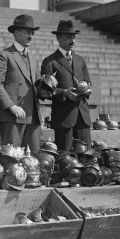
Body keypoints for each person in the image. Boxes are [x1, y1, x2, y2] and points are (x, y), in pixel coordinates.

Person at [0, 14, 42, 153]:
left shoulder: (33, 58)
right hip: (12, 116)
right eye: (27, 32)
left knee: (34, 161)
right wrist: (11, 106)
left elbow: (37, 86)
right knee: (12, 160)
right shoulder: (4, 55)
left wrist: (48, 88)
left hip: (33, 117)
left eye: (32, 33)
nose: (31, 36)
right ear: (16, 32)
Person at [41, 20, 92, 151]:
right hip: (64, 118)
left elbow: (89, 84)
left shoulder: (80, 60)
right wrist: (64, 92)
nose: (72, 41)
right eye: (68, 37)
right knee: (65, 158)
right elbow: (44, 92)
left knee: (87, 157)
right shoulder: (50, 62)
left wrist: (85, 87)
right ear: (58, 38)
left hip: (82, 117)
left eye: (74, 37)